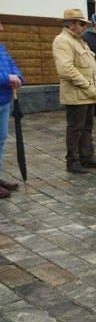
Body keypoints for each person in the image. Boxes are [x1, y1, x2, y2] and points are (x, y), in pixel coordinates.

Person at [52, 9, 96, 173]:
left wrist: (94, 85)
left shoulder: (79, 41)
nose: (85, 27)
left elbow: (91, 66)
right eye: (81, 23)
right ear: (71, 24)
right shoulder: (62, 41)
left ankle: (87, 157)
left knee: (87, 128)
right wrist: (86, 84)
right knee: (75, 129)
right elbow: (66, 69)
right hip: (77, 94)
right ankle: (73, 161)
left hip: (88, 93)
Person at [0, 20, 24, 197]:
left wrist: (18, 77)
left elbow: (13, 66)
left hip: (4, 100)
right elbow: (7, 73)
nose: (2, 28)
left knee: (0, 140)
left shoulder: (1, 47)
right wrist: (7, 77)